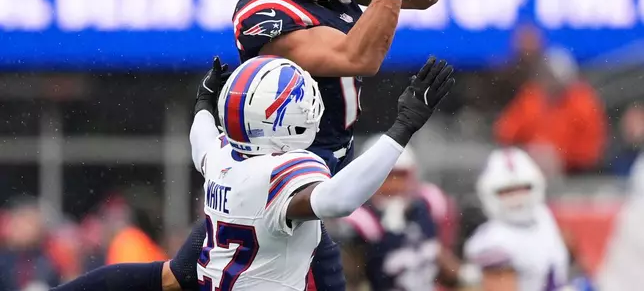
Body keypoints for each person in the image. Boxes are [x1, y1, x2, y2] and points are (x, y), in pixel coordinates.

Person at [224, 0, 441, 288]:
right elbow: (358, 56)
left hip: (327, 160)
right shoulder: (264, 13)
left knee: (184, 273)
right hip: (283, 179)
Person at [192, 54, 453, 290]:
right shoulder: (276, 174)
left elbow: (201, 136)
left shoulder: (219, 156)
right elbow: (339, 200)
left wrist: (204, 100)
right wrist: (404, 126)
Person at [329, 137, 480, 291]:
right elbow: (349, 280)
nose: (394, 185)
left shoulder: (428, 203)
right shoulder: (360, 219)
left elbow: (441, 260)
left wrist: (464, 275)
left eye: (400, 176)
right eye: (387, 176)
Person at [464, 148, 569, 291]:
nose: (516, 198)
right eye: (506, 192)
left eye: (522, 189)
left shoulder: (543, 216)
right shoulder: (491, 242)